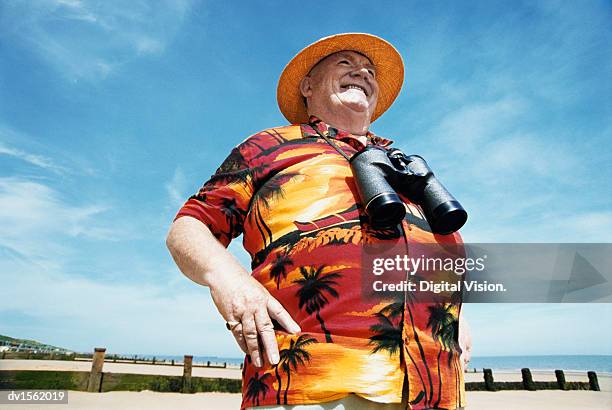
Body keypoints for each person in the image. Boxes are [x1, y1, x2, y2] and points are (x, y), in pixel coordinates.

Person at [167, 33, 470, 410]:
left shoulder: (403, 166)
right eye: (346, 63)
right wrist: (228, 280)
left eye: (370, 70)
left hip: (436, 389)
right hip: (310, 386)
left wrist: (455, 317)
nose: (362, 71)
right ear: (307, 86)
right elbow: (189, 225)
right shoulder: (269, 146)